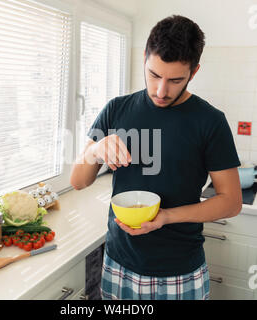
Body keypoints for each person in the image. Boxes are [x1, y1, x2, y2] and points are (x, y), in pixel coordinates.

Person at [70, 15, 242, 300]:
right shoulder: (116, 109)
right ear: (144, 59)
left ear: (194, 71)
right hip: (118, 262)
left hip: (179, 271)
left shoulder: (210, 121)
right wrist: (94, 151)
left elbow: (231, 201)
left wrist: (166, 217)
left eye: (175, 80)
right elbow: (77, 181)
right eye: (154, 75)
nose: (161, 91)